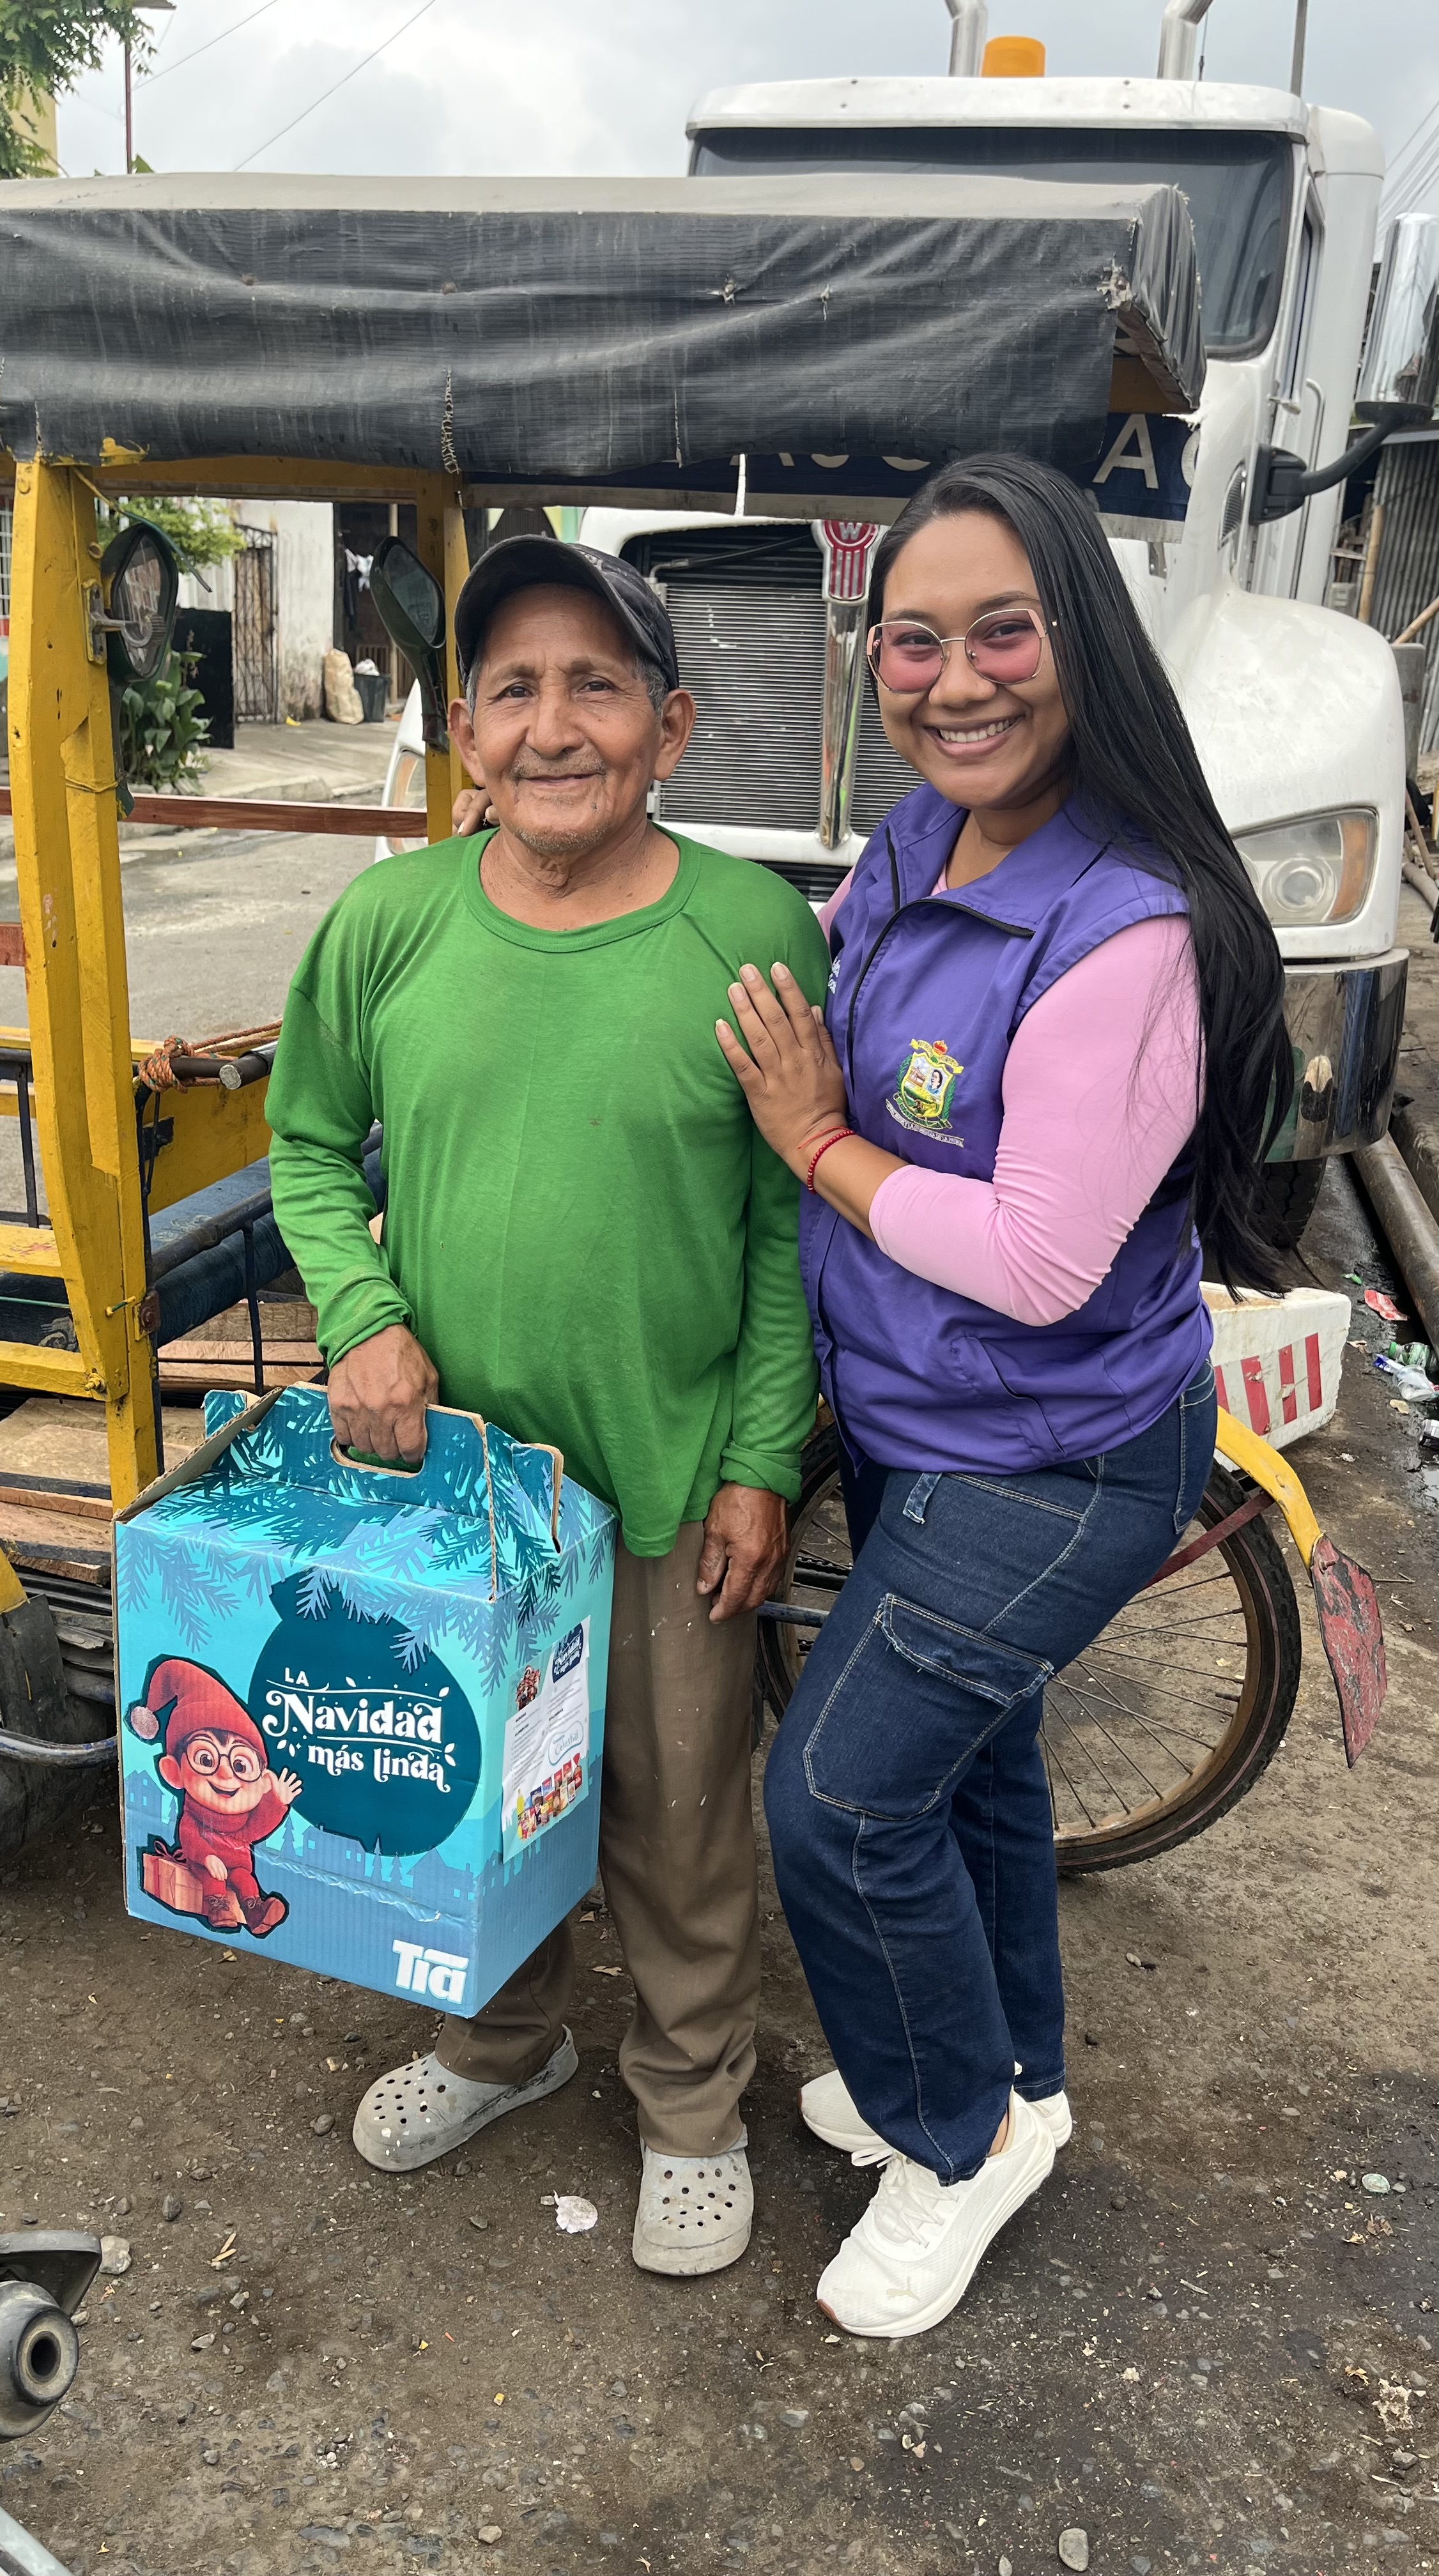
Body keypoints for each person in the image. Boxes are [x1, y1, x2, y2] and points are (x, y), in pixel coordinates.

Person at [714, 452, 1291, 2339]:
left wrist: (816, 1145)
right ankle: (1013, 2086)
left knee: (833, 1802)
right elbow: (802, 991)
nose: (954, 681)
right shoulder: (915, 846)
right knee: (968, 1773)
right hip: (921, 1423)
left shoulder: (1125, 930)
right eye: (913, 640)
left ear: (1081, 645)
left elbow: (1039, 1258)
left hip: (1049, 1458)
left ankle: (949, 2140)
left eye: (1001, 633)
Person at [266, 535, 828, 2276]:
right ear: (464, 733)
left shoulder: (748, 933)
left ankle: (690, 2102)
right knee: (463, 1783)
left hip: (665, 1487)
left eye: (596, 684)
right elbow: (305, 1148)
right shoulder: (388, 925)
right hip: (450, 1500)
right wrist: (360, 1317)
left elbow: (787, 1226)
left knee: (675, 1817)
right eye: (511, 688)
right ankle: (502, 2042)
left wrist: (760, 1462)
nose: (553, 724)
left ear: (672, 725)